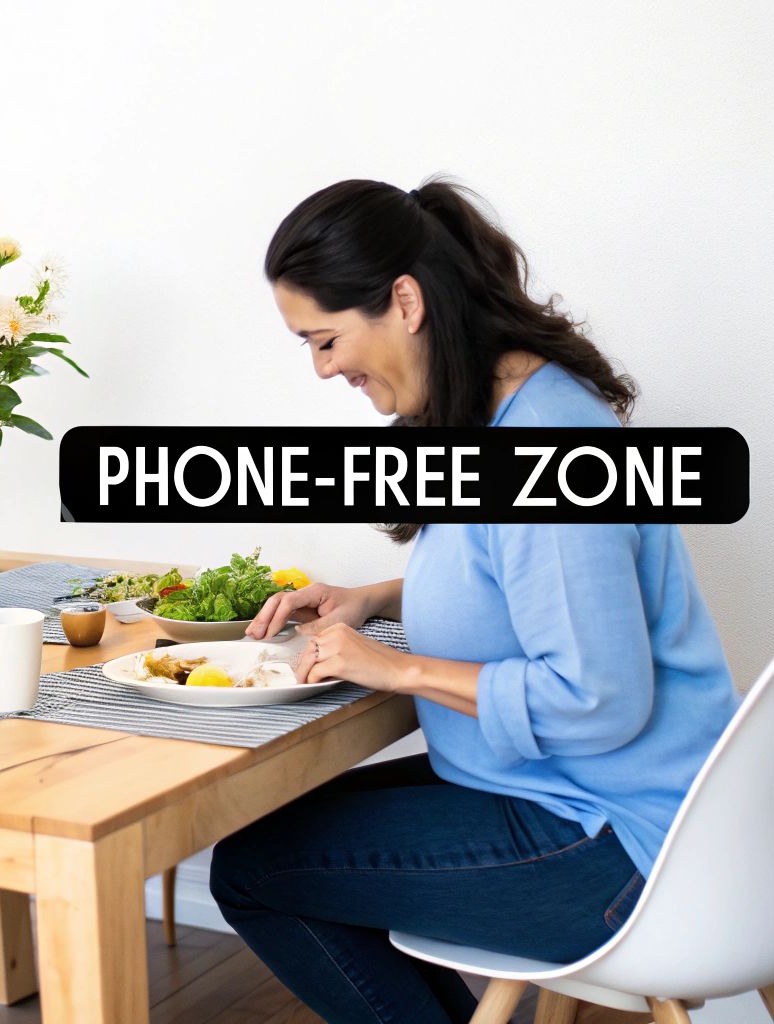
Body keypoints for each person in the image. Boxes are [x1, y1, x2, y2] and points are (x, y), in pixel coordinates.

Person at [209, 177, 742, 1024]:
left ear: (406, 302)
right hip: (586, 801)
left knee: (252, 872)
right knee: (265, 836)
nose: (323, 369)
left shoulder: (546, 449)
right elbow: (516, 581)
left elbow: (597, 699)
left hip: (618, 846)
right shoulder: (503, 415)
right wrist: (372, 599)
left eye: (325, 339)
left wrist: (396, 669)